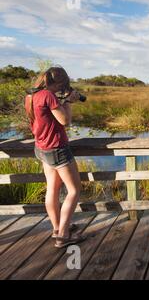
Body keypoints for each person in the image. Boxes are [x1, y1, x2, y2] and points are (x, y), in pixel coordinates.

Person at [25, 67, 85, 248]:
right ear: (58, 83)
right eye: (62, 86)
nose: (62, 89)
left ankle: (57, 228)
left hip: (41, 147)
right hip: (56, 148)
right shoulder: (48, 96)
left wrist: (64, 99)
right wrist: (68, 101)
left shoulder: (31, 96)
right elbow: (65, 121)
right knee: (74, 190)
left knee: (52, 188)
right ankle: (64, 236)